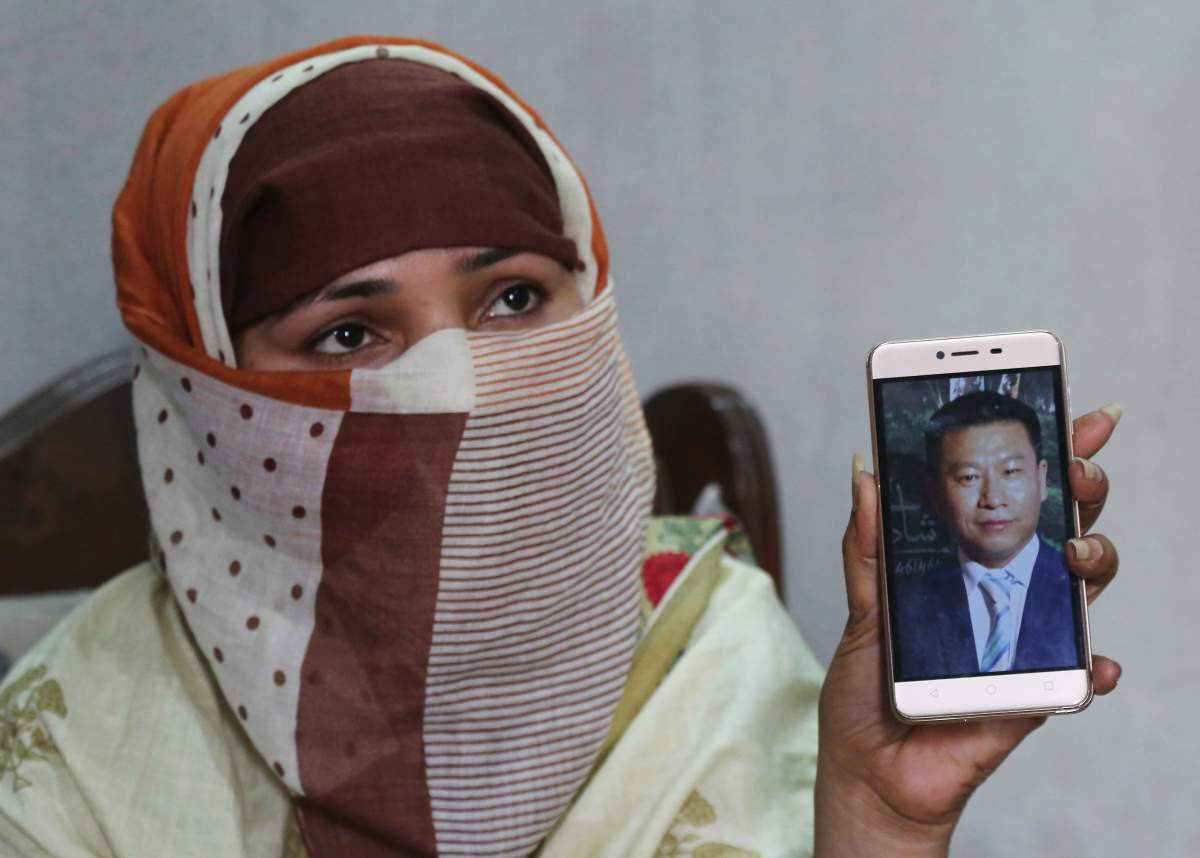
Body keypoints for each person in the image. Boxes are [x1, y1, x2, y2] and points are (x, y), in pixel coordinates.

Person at [0, 36, 1123, 858]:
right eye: (350, 332)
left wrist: (876, 826)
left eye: (511, 300)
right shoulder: (75, 743)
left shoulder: (712, 657)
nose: (456, 383)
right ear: (207, 394)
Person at [893, 390, 1079, 679]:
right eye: (969, 477)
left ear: (1041, 479)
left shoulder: (1079, 586)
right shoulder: (907, 607)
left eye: (1011, 471)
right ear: (937, 494)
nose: (992, 499)